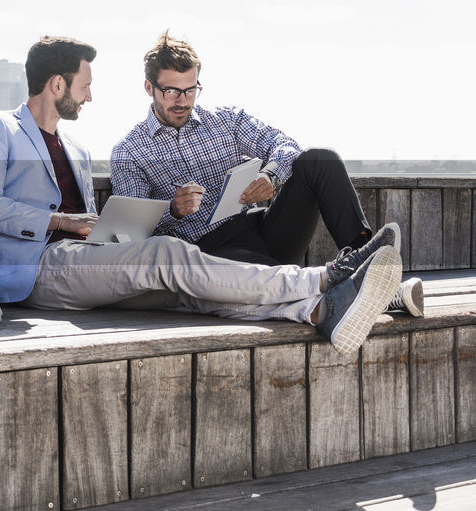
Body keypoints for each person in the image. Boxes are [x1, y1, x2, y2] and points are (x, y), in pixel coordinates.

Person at [0, 36, 402, 354]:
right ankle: (328, 280)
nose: (91, 95)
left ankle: (323, 310)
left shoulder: (77, 148)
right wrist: (67, 222)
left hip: (98, 257)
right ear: (58, 85)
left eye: (190, 90)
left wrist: (271, 174)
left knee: (189, 290)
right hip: (40, 263)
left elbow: (119, 233)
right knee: (172, 263)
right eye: (84, 85)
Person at [108, 30, 423, 316]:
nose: (183, 101)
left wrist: (271, 176)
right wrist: (173, 212)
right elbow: (132, 240)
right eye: (171, 92)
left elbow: (285, 144)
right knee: (263, 278)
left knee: (319, 160)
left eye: (191, 90)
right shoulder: (129, 152)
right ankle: (375, 291)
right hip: (212, 257)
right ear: (149, 87)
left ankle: (365, 265)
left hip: (261, 228)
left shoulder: (226, 120)